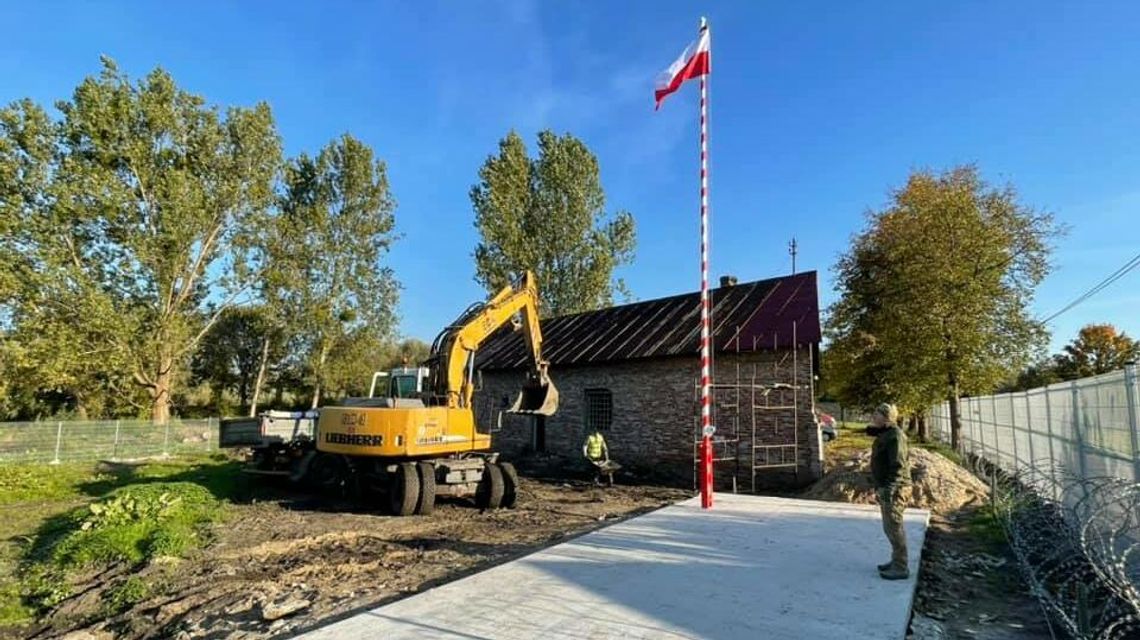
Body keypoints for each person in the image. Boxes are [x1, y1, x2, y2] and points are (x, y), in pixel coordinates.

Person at [865, 402, 911, 580]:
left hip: (895, 488)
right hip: (887, 486)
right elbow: (874, 431)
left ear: (886, 417)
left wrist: (889, 489)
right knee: (889, 527)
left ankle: (901, 567)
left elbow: (898, 466)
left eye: (877, 414)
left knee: (894, 527)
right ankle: (896, 560)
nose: (873, 417)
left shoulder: (896, 436)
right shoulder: (887, 433)